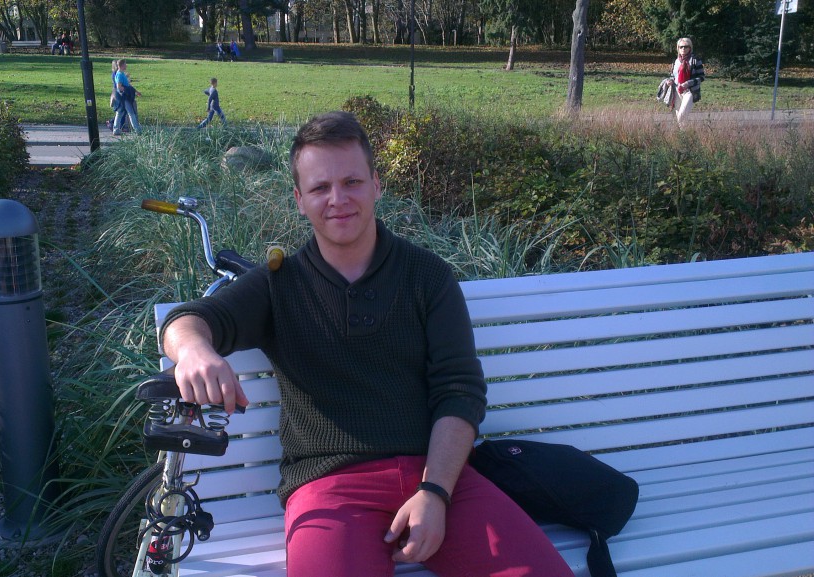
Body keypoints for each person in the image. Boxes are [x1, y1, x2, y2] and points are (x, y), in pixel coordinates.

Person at [158, 111, 574, 577]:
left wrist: (435, 492)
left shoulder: (427, 276)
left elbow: (460, 392)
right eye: (320, 187)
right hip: (328, 487)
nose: (338, 199)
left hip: (438, 476)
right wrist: (194, 351)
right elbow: (184, 322)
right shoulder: (278, 284)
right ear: (299, 200)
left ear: (376, 185)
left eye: (352, 181)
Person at [668, 37, 705, 125]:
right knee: (679, 119)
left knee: (681, 116)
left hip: (690, 91)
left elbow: (702, 77)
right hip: (677, 91)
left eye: (686, 46)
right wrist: (670, 81)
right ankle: (685, 133)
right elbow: (673, 76)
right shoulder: (676, 61)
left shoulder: (695, 60)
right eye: (681, 47)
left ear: (690, 48)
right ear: (678, 48)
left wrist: (688, 83)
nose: (683, 49)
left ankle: (687, 132)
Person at [112, 59, 142, 136]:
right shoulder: (119, 75)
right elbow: (119, 87)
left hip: (123, 97)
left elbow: (127, 85)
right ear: (121, 65)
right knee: (131, 113)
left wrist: (136, 92)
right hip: (124, 97)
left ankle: (116, 130)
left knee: (120, 113)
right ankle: (138, 130)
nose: (126, 65)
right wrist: (128, 90)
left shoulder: (121, 74)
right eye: (125, 64)